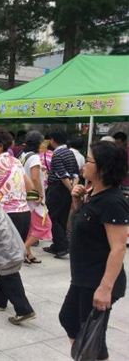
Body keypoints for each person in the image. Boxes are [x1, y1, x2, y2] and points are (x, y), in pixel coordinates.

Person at [59, 141, 128, 361]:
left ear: (103, 168)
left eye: (89, 160)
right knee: (70, 319)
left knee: (91, 334)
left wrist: (105, 288)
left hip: (98, 280)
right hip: (83, 276)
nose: (84, 165)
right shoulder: (93, 194)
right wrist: (76, 201)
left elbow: (118, 247)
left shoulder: (113, 202)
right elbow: (76, 227)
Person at [0, 127, 36, 325]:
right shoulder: (16, 161)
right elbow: (30, 187)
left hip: (4, 216)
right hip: (23, 214)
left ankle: (23, 308)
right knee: (9, 257)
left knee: (5, 262)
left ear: (0, 145)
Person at [43, 130, 79, 259]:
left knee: (52, 217)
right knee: (62, 217)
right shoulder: (70, 153)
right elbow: (75, 173)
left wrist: (71, 189)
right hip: (66, 189)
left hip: (57, 189)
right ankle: (57, 245)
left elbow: (62, 175)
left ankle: (62, 246)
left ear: (53, 140)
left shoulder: (57, 154)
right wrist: (73, 188)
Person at [19, 131, 51, 263]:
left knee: (31, 227)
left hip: (25, 195)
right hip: (34, 197)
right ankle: (22, 249)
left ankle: (28, 253)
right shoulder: (35, 158)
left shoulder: (23, 155)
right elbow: (35, 178)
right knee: (45, 225)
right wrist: (40, 193)